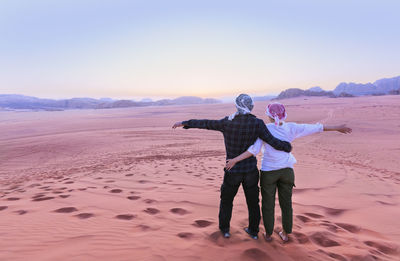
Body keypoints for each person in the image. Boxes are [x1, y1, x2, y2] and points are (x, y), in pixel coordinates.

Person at [225, 102, 352, 242]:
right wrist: (337, 128)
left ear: (268, 115)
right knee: (287, 204)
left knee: (268, 205)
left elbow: (253, 151)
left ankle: (268, 235)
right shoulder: (292, 127)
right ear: (284, 115)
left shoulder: (263, 129)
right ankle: (285, 234)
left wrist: (235, 160)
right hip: (287, 172)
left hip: (269, 173)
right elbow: (317, 127)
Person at [172, 94, 292, 239]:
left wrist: (186, 123)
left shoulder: (227, 122)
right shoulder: (257, 123)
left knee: (226, 201)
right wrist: (286, 147)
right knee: (253, 203)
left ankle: (225, 230)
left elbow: (206, 123)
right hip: (250, 171)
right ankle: (253, 232)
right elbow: (271, 140)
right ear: (250, 107)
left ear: (237, 106)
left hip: (232, 170)